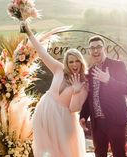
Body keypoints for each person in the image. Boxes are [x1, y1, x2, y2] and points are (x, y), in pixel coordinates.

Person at [23, 23, 88, 157]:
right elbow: (41, 52)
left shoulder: (84, 83)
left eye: (77, 61)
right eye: (71, 62)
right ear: (66, 63)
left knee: (62, 152)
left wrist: (76, 91)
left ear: (81, 62)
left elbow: (74, 109)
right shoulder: (58, 69)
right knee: (46, 150)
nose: (74, 64)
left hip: (63, 120)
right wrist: (29, 33)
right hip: (44, 113)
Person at [80, 36, 127, 157]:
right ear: (89, 51)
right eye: (92, 48)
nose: (95, 50)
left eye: (98, 47)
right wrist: (83, 115)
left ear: (104, 49)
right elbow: (90, 97)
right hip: (97, 124)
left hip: (116, 121)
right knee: (99, 155)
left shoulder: (118, 65)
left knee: (119, 154)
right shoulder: (90, 71)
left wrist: (109, 80)